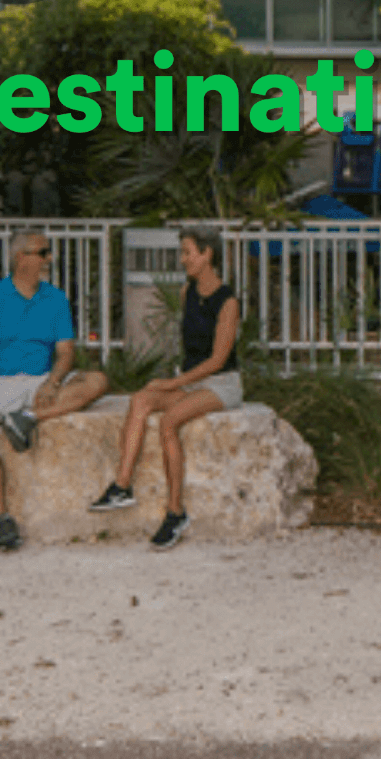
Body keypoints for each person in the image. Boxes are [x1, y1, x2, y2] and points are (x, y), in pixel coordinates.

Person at [89, 228, 244, 550]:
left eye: (188, 252)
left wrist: (173, 383)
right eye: (183, 253)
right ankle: (122, 485)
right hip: (194, 381)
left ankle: (175, 512)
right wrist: (176, 381)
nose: (183, 259)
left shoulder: (227, 301)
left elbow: (217, 360)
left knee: (169, 420)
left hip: (221, 384)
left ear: (207, 255)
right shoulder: (188, 290)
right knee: (141, 400)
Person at [0, 229, 111, 552]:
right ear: (21, 258)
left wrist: (53, 381)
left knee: (97, 381)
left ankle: (25, 418)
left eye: (48, 252)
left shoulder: (55, 299)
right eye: (42, 253)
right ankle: (3, 518)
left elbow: (66, 353)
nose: (49, 259)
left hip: (40, 381)